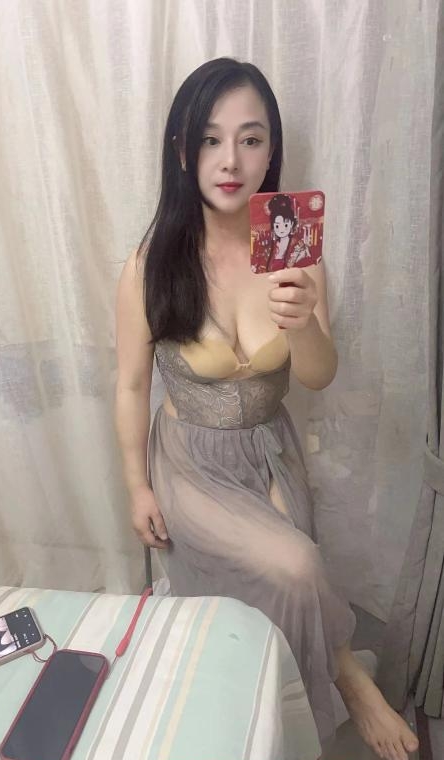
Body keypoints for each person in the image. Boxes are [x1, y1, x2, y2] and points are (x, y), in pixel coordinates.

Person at [115, 57, 418, 760]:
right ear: (183, 150)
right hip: (191, 461)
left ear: (271, 149)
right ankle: (345, 675)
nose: (231, 160)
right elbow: (129, 385)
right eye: (211, 139)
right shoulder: (151, 264)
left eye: (250, 139)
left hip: (270, 448)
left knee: (292, 570)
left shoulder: (292, 251)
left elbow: (317, 376)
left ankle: (271, 704)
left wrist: (304, 321)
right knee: (296, 566)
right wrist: (136, 487)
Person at [251, 193, 313, 272]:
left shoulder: (298, 244)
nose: (281, 229)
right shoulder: (271, 245)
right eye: (277, 226)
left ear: (292, 224)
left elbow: (305, 261)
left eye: (286, 225)